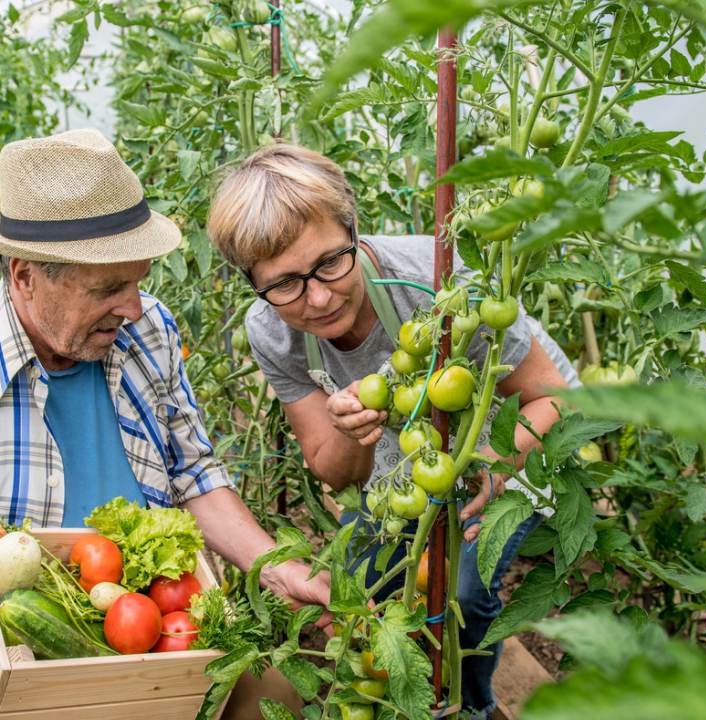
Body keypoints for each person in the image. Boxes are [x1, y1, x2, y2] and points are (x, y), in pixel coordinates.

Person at [0, 130, 322, 713]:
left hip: (163, 625)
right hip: (20, 665)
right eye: (109, 288)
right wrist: (70, 675)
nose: (134, 307)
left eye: (138, 281)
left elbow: (194, 474)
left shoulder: (146, 329)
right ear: (26, 276)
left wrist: (276, 567)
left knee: (275, 703)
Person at [206, 142, 577, 718]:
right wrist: (353, 432)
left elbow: (551, 400)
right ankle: (390, 700)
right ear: (252, 282)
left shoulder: (439, 285)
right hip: (406, 463)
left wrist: (489, 464)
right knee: (361, 586)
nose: (320, 296)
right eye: (284, 284)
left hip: (516, 441)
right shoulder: (273, 332)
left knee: (466, 597)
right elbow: (331, 469)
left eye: (331, 261)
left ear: (354, 229)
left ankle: (472, 704)